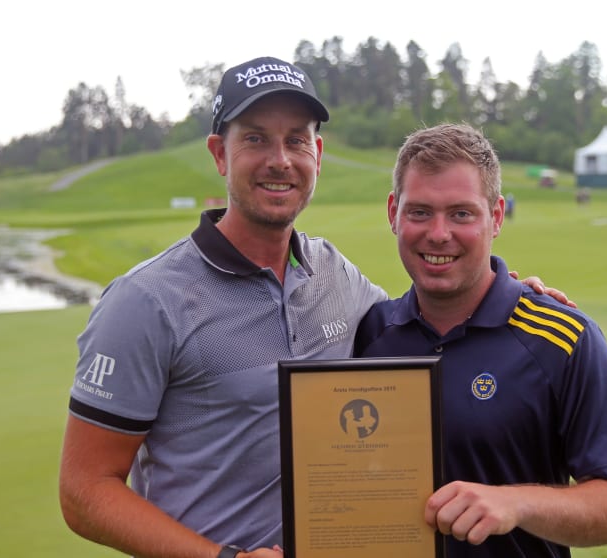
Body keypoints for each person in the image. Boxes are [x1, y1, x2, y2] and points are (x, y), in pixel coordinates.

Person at [59, 57, 570, 558]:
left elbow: (419, 321)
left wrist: (507, 295)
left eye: (296, 140)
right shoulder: (145, 300)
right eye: (255, 138)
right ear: (219, 154)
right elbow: (85, 492)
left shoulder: (332, 272)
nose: (279, 159)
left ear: (317, 154)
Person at [354, 123, 607, 557]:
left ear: (495, 216)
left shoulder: (564, 338)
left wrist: (516, 502)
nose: (438, 234)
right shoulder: (369, 335)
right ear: (393, 212)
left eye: (461, 213)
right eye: (419, 212)